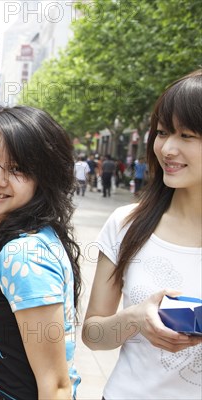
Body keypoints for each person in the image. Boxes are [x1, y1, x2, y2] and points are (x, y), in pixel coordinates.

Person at [82, 70, 202, 399]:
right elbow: (93, 334)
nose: (167, 148)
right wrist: (136, 318)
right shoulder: (127, 224)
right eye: (163, 133)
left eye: (187, 135)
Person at [0, 106, 82, 399]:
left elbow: (56, 387)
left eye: (17, 169)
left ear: (44, 178)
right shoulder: (29, 236)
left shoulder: (23, 254)